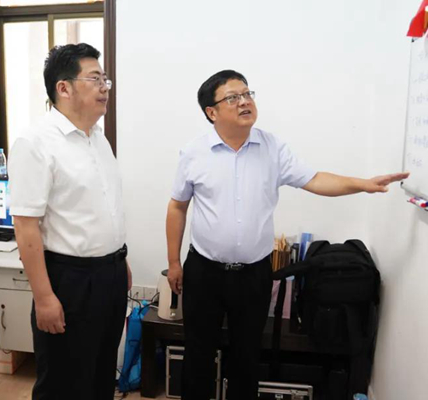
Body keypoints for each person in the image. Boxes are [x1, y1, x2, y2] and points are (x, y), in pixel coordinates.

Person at [165, 70, 409, 400]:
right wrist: (174, 262)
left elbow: (315, 179)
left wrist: (362, 184)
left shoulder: (272, 148)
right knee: (198, 354)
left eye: (247, 94)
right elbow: (177, 206)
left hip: (253, 274)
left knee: (247, 356)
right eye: (233, 97)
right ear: (212, 112)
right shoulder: (194, 153)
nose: (245, 102)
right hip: (204, 270)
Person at [8, 43, 131, 400]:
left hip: (109, 275)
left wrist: (119, 260)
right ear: (63, 88)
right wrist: (44, 297)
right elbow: (26, 226)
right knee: (64, 383)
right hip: (70, 280)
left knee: (101, 374)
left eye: (105, 79)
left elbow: (102, 208)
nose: (104, 87)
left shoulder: (98, 138)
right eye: (95, 79)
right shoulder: (35, 142)